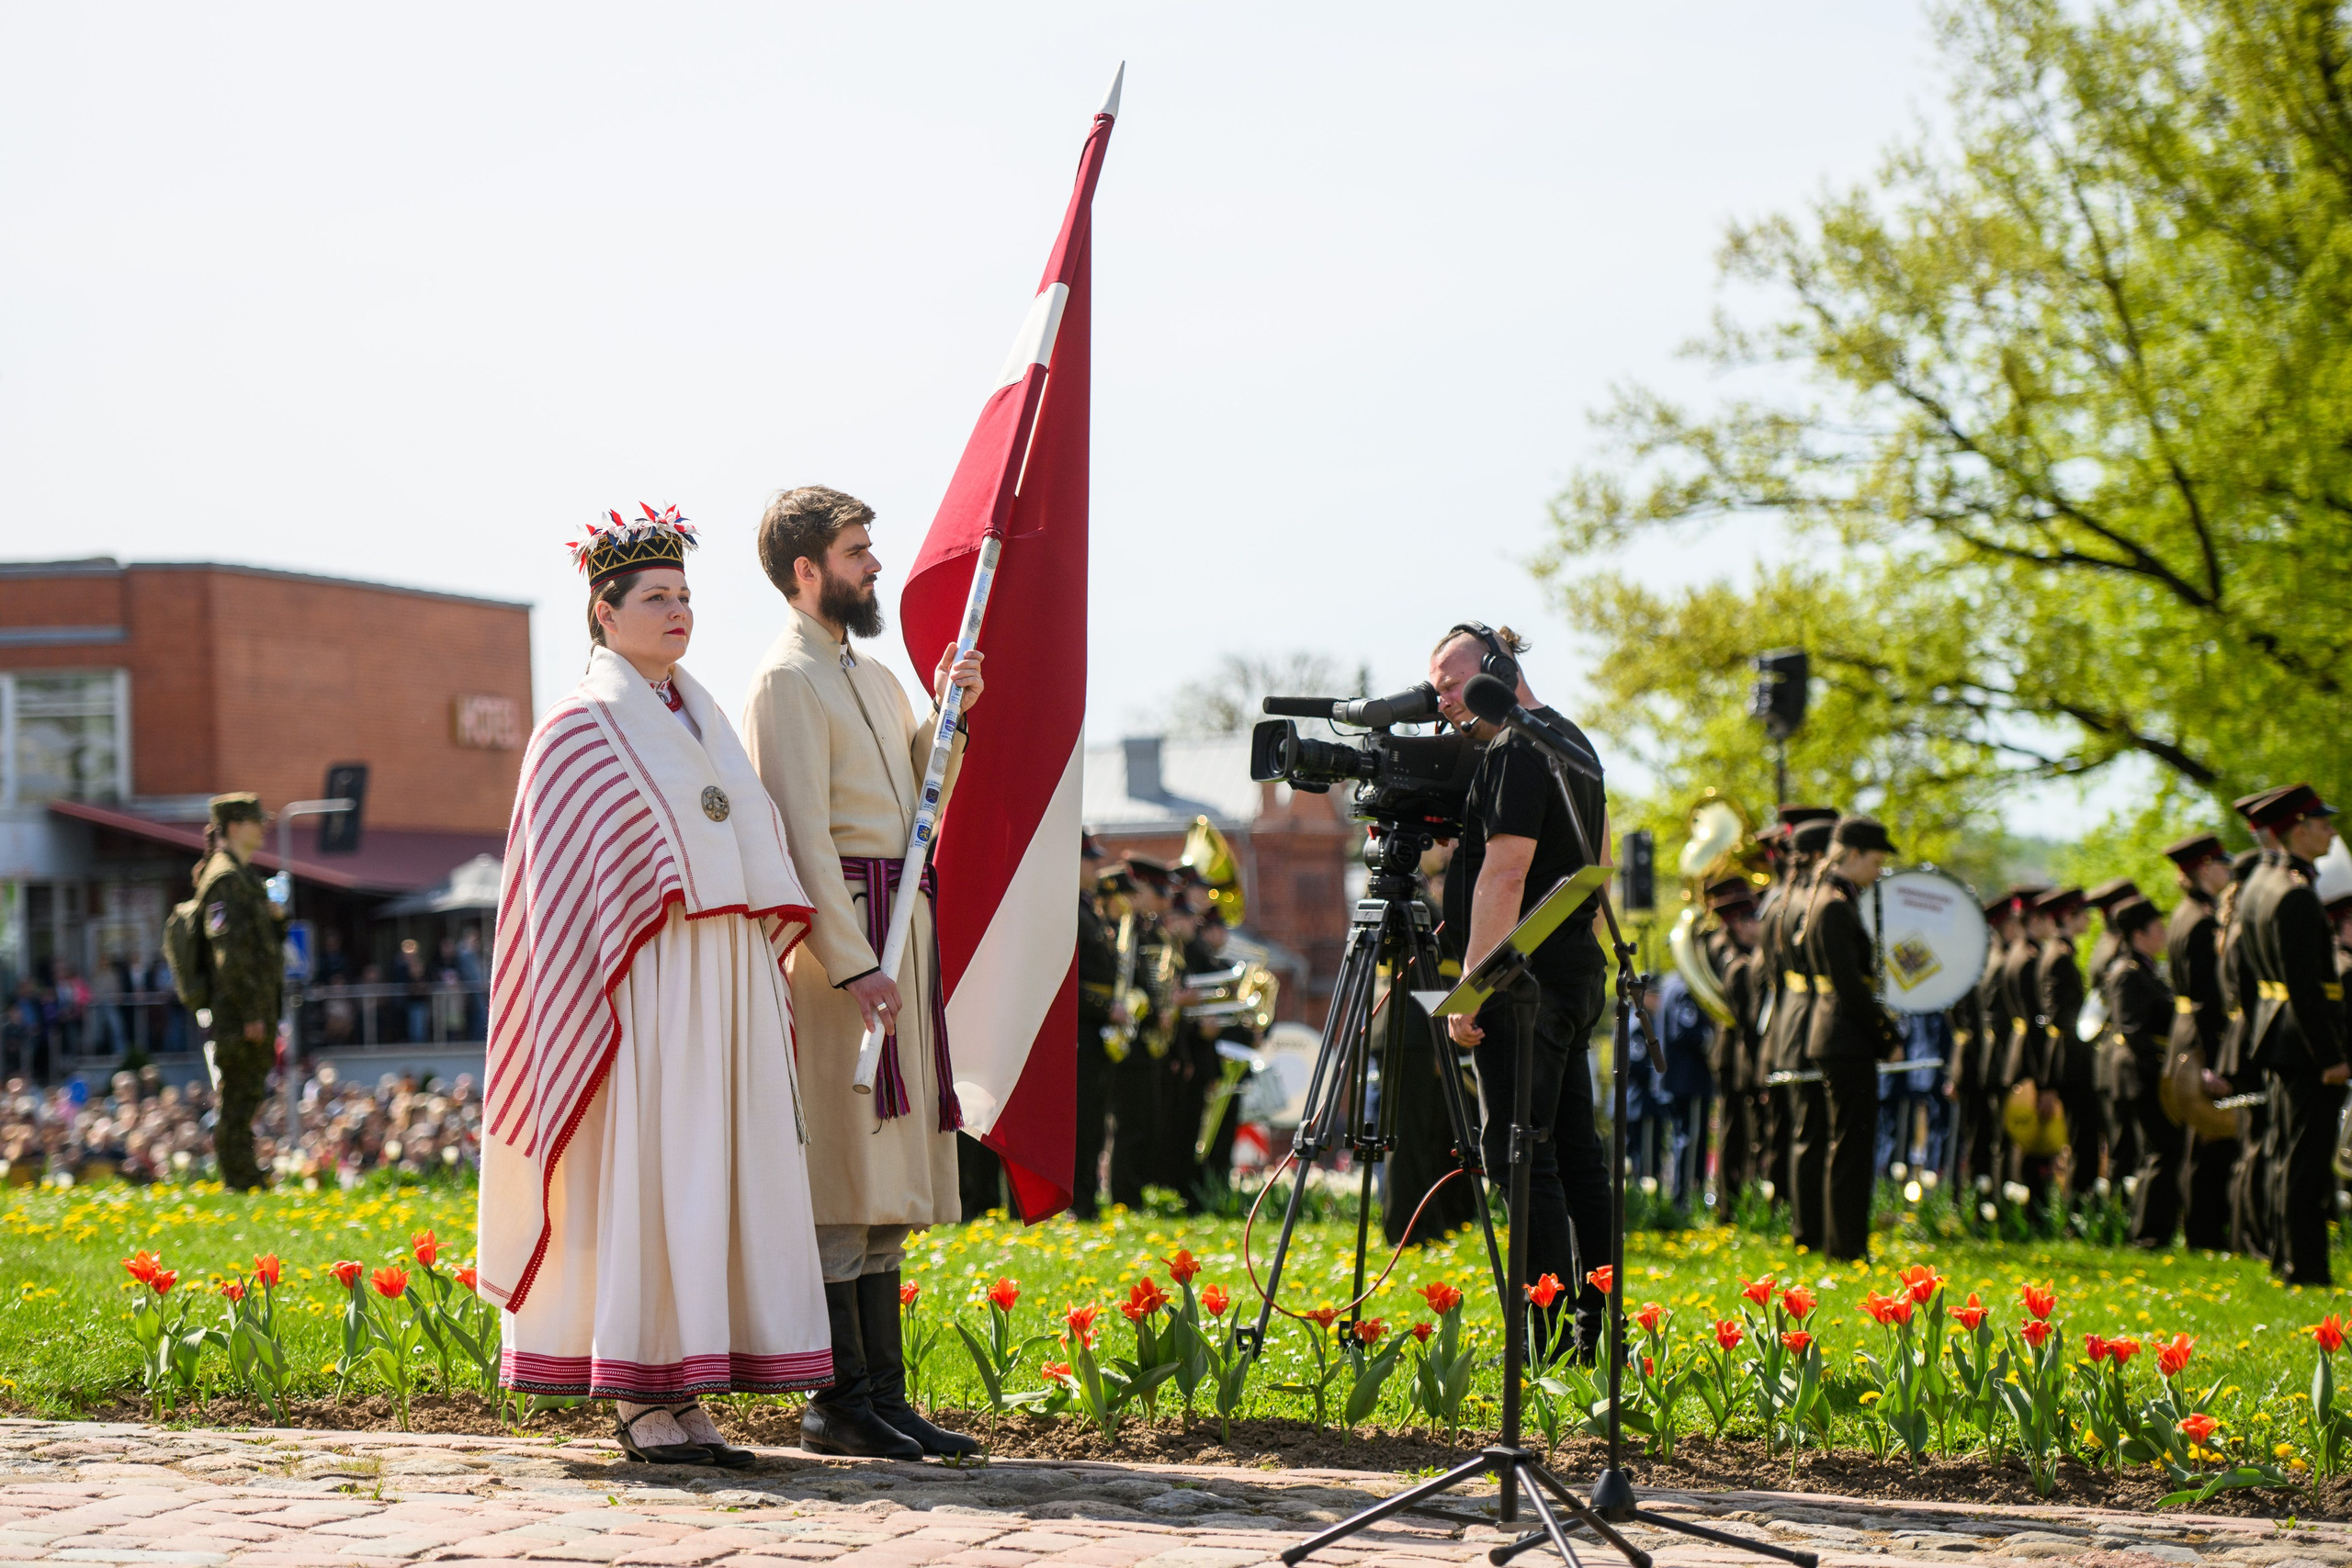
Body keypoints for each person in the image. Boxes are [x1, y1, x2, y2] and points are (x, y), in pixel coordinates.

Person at [478, 503, 830, 1471]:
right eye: (657, 598)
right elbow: (560, 898)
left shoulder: (706, 716)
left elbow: (745, 840)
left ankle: (685, 1389)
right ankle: (636, 1392)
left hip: (720, 983)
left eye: (685, 596)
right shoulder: (576, 731)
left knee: (709, 1174)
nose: (679, 612)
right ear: (605, 610)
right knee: (646, 1173)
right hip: (636, 991)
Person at [740, 484, 984, 1460]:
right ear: (807, 570)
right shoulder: (783, 680)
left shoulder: (874, 677)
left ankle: (883, 1395)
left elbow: (920, 798)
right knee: (846, 1171)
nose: (873, 564)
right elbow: (796, 833)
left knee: (887, 1174)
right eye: (855, 550)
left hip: (900, 926)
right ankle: (834, 1402)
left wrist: (948, 710)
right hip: (845, 944)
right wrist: (846, 965)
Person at [1427, 621, 1611, 1355]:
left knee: (1518, 1154)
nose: (1441, 699)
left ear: (1496, 671)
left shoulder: (1512, 748)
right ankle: (1600, 1328)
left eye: (1451, 681)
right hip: (1571, 973)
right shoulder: (1574, 741)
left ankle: (1545, 1341)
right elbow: (1598, 860)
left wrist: (1472, 988)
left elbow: (1506, 872)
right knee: (1576, 1156)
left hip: (1520, 982)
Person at [2236, 784, 2350, 1287]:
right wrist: (2332, 1055)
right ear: (2298, 830)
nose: (2332, 832)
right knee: (2304, 1160)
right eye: (2323, 824)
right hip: (2305, 1041)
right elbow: (2307, 989)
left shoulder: (2261, 884)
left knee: (2284, 1152)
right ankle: (2304, 1268)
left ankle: (2284, 1256)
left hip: (2275, 1032)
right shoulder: (2296, 894)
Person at [1797, 817, 1901, 1261]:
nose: (1878, 871)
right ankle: (1847, 1248)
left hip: (1836, 1034)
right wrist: (1886, 1034)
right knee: (1852, 1146)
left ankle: (1844, 1243)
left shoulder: (1827, 898)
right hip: (1846, 1036)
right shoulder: (1836, 905)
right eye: (1875, 861)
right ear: (1853, 855)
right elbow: (1850, 986)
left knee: (1848, 1144)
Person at [181, 792, 285, 1192]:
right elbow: (229, 956)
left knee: (247, 1092)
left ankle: (244, 1172)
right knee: (239, 1096)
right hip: (239, 1010)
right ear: (237, 827)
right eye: (257, 821)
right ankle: (238, 1177)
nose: (264, 828)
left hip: (252, 1006)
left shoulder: (242, 875)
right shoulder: (226, 878)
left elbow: (258, 945)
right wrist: (250, 1013)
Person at [2163, 833, 2235, 1250]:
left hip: (2184, 1030)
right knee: (2208, 1138)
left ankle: (2199, 1231)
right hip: (2200, 1036)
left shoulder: (2184, 914)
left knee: (2197, 1137)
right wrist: (2216, 1059)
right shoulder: (2203, 920)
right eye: (2221, 865)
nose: (2226, 872)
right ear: (2205, 869)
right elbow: (2209, 995)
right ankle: (2205, 1234)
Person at [1773, 813, 1838, 1249]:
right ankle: (1811, 1230)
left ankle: (1807, 1228)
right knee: (1813, 1131)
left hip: (1791, 1017)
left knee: (1806, 1131)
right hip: (1808, 1015)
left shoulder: (1783, 898)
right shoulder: (1807, 900)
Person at [2103, 896, 2180, 1247]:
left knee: (2161, 1149)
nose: (2163, 933)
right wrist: (2163, 1068)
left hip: (2147, 1072)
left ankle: (2155, 1230)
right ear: (2139, 933)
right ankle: (2148, 1234)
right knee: (2159, 1149)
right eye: (2157, 927)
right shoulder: (2127, 973)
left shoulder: (2144, 968)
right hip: (2140, 1074)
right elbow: (2133, 1031)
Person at [1705, 878, 1763, 1213]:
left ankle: (1732, 1204)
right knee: (1736, 1131)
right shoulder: (1733, 958)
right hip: (1737, 1054)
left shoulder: (1724, 948)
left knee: (1734, 1129)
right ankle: (1730, 1206)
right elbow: (1746, 1016)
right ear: (1741, 924)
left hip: (1732, 1053)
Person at [1070, 836, 1120, 1221]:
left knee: (1094, 1123)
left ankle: (1087, 1199)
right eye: (1089, 860)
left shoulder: (1088, 908)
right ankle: (1078, 1203)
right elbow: (1066, 980)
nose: (1096, 868)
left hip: (1095, 1032)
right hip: (1079, 1032)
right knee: (1082, 1123)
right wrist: (1106, 1008)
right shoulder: (1071, 908)